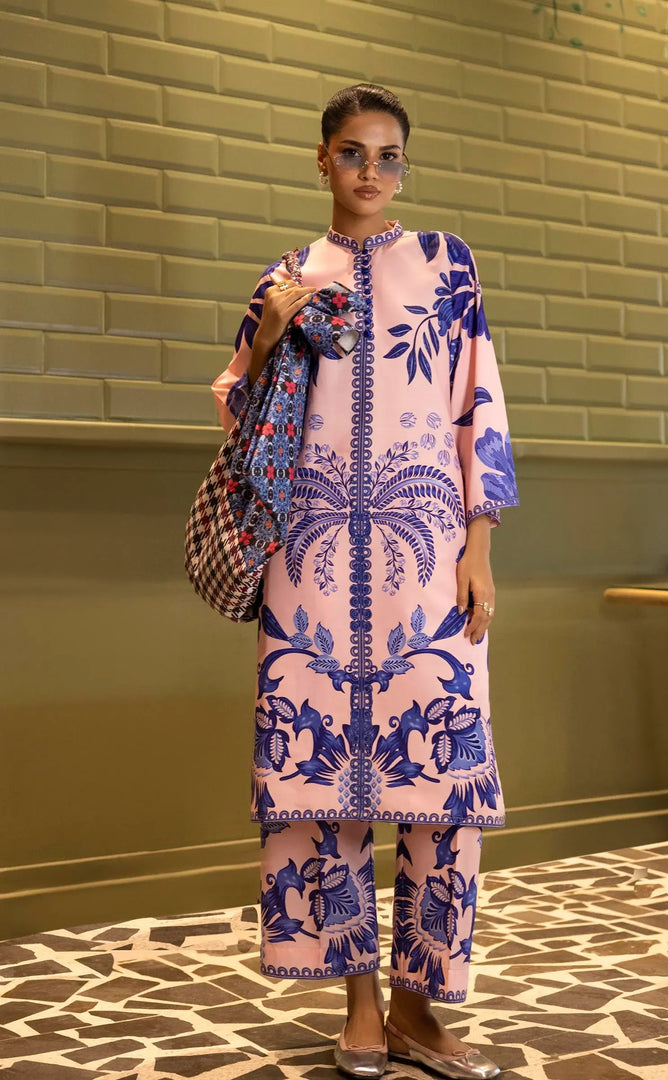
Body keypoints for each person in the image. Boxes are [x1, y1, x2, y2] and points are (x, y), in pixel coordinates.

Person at [211, 83, 519, 1080]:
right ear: (323, 160)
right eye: (353, 152)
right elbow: (239, 412)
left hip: (426, 554)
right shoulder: (283, 278)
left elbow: (479, 403)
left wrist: (479, 547)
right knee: (318, 786)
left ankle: (420, 1010)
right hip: (306, 562)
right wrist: (269, 332)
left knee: (444, 781)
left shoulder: (447, 265)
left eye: (389, 156)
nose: (372, 172)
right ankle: (359, 1010)